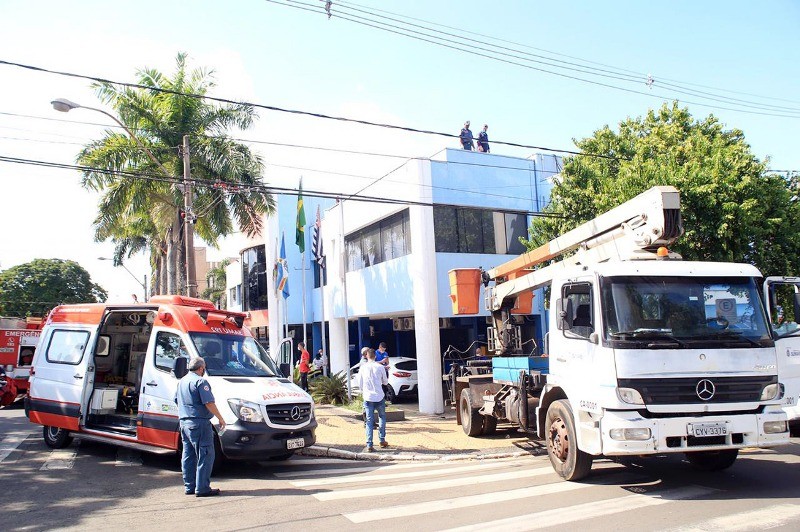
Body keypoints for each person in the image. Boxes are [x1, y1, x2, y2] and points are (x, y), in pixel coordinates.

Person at [175, 357, 226, 497]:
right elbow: (208, 402)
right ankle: (202, 487)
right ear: (201, 368)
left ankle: (189, 486)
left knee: (188, 455)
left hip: (184, 423)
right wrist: (220, 418)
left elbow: (176, 400)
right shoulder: (200, 381)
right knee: (205, 455)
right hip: (199, 423)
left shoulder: (182, 381)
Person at [358, 348, 389, 452]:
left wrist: (364, 391)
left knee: (369, 421)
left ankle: (369, 443)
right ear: (375, 356)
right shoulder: (380, 367)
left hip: (368, 397)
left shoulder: (363, 368)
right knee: (382, 417)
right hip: (379, 396)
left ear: (366, 356)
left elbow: (360, 384)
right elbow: (385, 382)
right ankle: (382, 440)